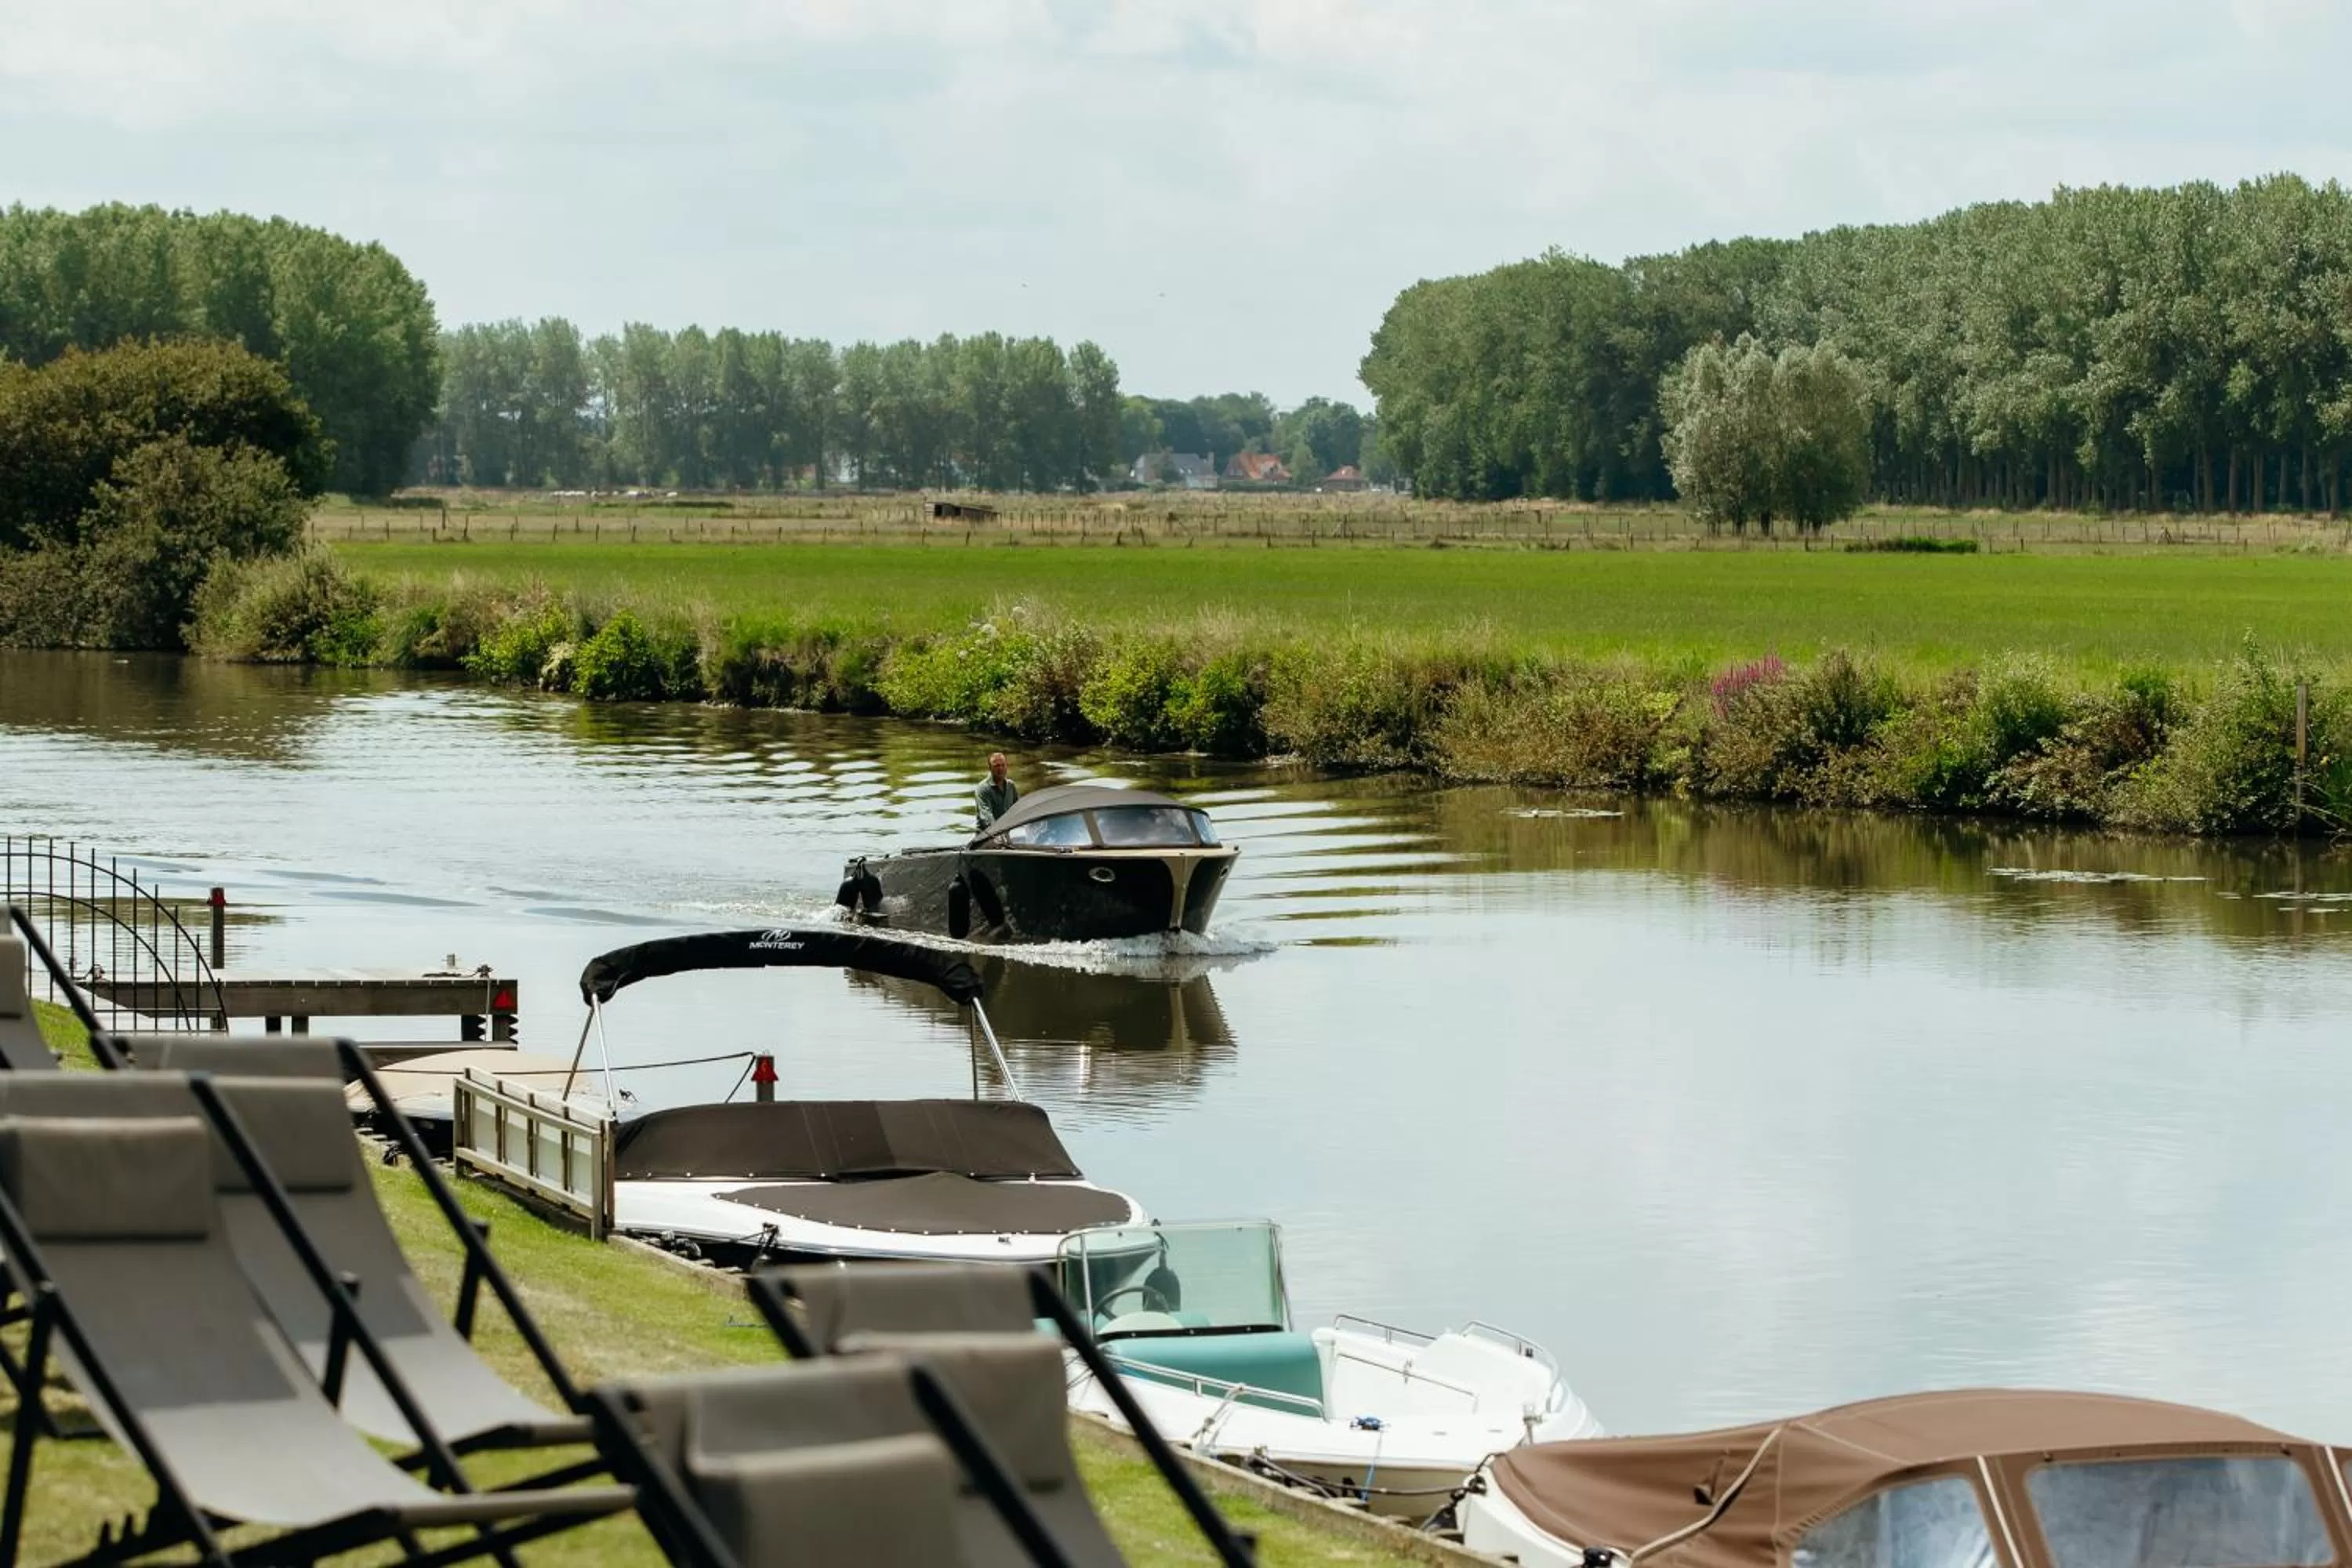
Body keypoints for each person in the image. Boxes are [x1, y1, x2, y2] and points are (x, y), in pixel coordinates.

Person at [975, 753, 1019, 831]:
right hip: (987, 835)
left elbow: (1018, 809)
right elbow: (988, 819)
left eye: (1003, 765)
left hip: (1008, 832)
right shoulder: (982, 788)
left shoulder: (1011, 785)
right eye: (997, 766)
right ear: (990, 768)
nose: (1001, 768)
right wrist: (999, 833)